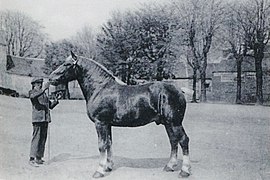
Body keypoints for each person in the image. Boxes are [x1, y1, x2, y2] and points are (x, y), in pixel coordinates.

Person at [28, 77, 60, 167]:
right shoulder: (32, 92)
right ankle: (31, 159)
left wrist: (56, 100)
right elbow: (33, 97)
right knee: (36, 138)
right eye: (38, 83)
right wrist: (43, 89)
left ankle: (39, 158)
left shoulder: (44, 94)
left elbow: (50, 106)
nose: (40, 85)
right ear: (33, 84)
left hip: (45, 119)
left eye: (41, 83)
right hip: (37, 119)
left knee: (43, 139)